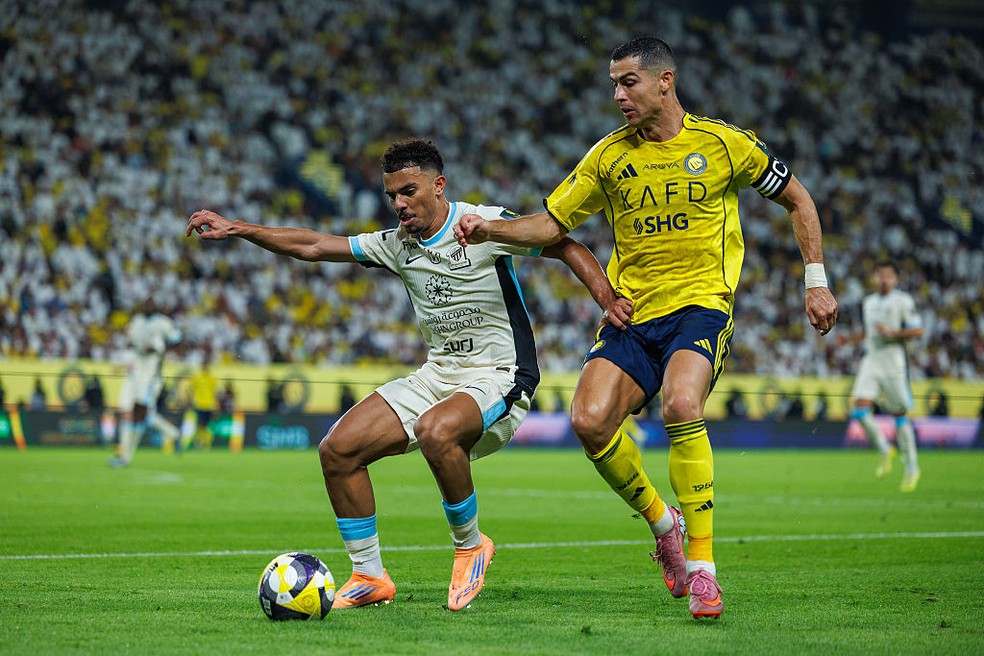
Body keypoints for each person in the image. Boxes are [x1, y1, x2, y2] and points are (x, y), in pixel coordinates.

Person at [454, 36, 839, 619]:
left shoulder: (723, 145)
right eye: (614, 83)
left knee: (682, 405)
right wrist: (490, 229)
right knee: (587, 420)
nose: (617, 95)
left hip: (700, 307)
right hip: (632, 315)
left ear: (666, 80)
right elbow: (552, 225)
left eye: (628, 81)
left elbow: (799, 200)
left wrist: (815, 280)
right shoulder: (609, 157)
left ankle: (705, 570)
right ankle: (665, 524)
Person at [186, 138, 628, 611]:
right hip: (438, 375)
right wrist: (237, 228)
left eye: (409, 191)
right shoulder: (398, 245)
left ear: (439, 186)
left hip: (501, 375)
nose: (399, 203)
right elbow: (314, 245)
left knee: (435, 429)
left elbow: (564, 245)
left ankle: (470, 545)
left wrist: (606, 299)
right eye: (391, 195)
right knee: (338, 450)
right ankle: (369, 576)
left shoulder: (482, 223)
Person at [843, 261, 923, 492]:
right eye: (880, 275)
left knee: (899, 414)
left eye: (889, 275)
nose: (884, 279)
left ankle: (911, 467)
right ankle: (885, 449)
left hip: (893, 360)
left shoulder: (903, 301)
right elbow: (869, 334)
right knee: (859, 408)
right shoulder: (868, 303)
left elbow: (917, 330)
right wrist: (848, 340)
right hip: (872, 359)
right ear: (874, 277)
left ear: (896, 279)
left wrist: (893, 333)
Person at [110, 300, 183, 467]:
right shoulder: (138, 322)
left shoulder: (161, 326)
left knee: (144, 416)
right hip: (134, 375)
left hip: (150, 378)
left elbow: (174, 340)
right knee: (128, 413)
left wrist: (154, 348)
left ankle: (173, 434)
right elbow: (132, 342)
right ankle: (124, 457)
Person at [184, 361, 220, 450]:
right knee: (199, 424)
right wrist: (190, 401)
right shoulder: (197, 377)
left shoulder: (212, 378)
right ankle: (199, 442)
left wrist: (216, 405)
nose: (205, 367)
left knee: (206, 425)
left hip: (208, 405)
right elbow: (190, 390)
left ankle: (205, 443)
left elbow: (215, 393)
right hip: (199, 405)